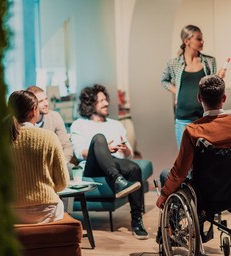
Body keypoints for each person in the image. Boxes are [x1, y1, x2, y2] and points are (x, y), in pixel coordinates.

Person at [156, 75, 231, 209]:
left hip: (204, 196)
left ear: (199, 98)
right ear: (224, 98)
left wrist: (164, 194)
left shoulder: (193, 131)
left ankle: (173, 226)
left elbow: (180, 172)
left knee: (165, 174)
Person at [70, 84, 148, 240]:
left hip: (113, 162)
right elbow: (79, 152)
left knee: (134, 168)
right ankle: (117, 179)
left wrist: (125, 148)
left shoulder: (115, 124)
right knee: (99, 138)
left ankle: (137, 221)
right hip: (92, 165)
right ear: (90, 104)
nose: (106, 103)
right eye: (101, 101)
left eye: (106, 99)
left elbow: (128, 154)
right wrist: (104, 148)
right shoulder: (79, 124)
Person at [8, 90, 70, 224]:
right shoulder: (49, 137)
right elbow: (62, 183)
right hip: (47, 210)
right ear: (33, 111)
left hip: (12, 212)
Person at [161, 24, 226, 148]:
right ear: (187, 41)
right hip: (182, 120)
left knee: (206, 158)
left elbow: (213, 85)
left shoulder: (209, 61)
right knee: (186, 159)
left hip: (205, 118)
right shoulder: (174, 63)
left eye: (202, 38)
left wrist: (219, 77)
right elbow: (164, 80)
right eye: (198, 39)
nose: (202, 41)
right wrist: (178, 91)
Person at [26, 85, 75, 176]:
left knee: (72, 170)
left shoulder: (55, 116)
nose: (46, 103)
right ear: (31, 104)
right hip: (31, 166)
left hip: (54, 164)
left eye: (46, 99)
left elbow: (67, 146)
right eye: (41, 101)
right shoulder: (23, 121)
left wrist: (61, 163)